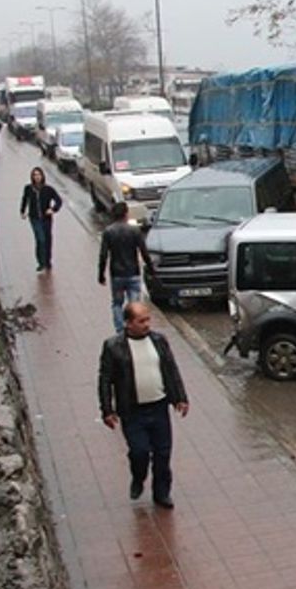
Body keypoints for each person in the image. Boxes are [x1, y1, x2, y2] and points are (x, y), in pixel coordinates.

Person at [98, 302, 189, 509]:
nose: (147, 324)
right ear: (128, 323)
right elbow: (105, 380)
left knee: (162, 453)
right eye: (141, 321)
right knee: (139, 451)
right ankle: (138, 477)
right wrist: (107, 410)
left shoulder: (159, 341)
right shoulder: (113, 347)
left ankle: (162, 493)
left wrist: (180, 398)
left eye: (148, 319)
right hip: (133, 412)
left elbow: (171, 370)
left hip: (158, 408)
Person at [99, 201, 154, 333]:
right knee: (134, 303)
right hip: (133, 272)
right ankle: (134, 327)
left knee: (117, 303)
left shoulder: (108, 232)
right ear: (126, 214)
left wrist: (100, 274)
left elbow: (103, 255)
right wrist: (151, 267)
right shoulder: (134, 231)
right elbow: (143, 251)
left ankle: (119, 330)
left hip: (116, 273)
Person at [19, 167, 62, 272]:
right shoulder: (28, 188)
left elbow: (58, 200)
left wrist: (53, 209)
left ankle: (47, 261)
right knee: (40, 239)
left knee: (47, 239)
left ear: (42, 176)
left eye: (38, 175)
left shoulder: (48, 189)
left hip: (46, 219)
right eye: (34, 175)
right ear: (32, 177)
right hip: (34, 218)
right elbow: (25, 199)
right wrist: (22, 211)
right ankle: (41, 262)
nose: (37, 177)